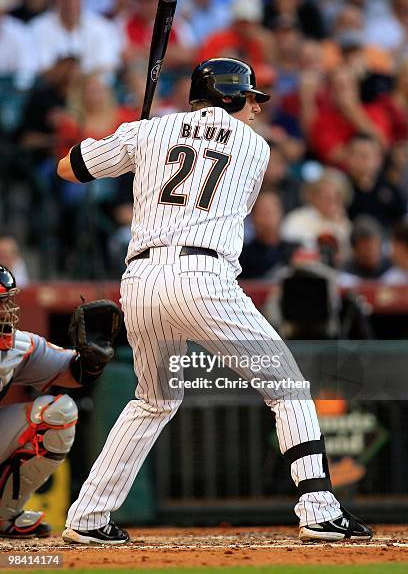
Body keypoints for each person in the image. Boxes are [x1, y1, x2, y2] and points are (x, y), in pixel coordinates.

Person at [57, 57, 372, 545]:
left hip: (139, 280)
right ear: (230, 96)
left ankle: (88, 516)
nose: (254, 110)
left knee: (153, 399)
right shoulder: (255, 148)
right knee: (287, 387)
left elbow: (68, 169)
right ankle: (318, 508)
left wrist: (130, 142)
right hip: (203, 275)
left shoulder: (150, 130)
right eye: (249, 99)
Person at [0, 265, 119, 538]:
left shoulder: (17, 345)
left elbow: (73, 371)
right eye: (0, 304)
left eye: (7, 302)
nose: (7, 311)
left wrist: (92, 359)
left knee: (59, 413)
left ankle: (3, 516)